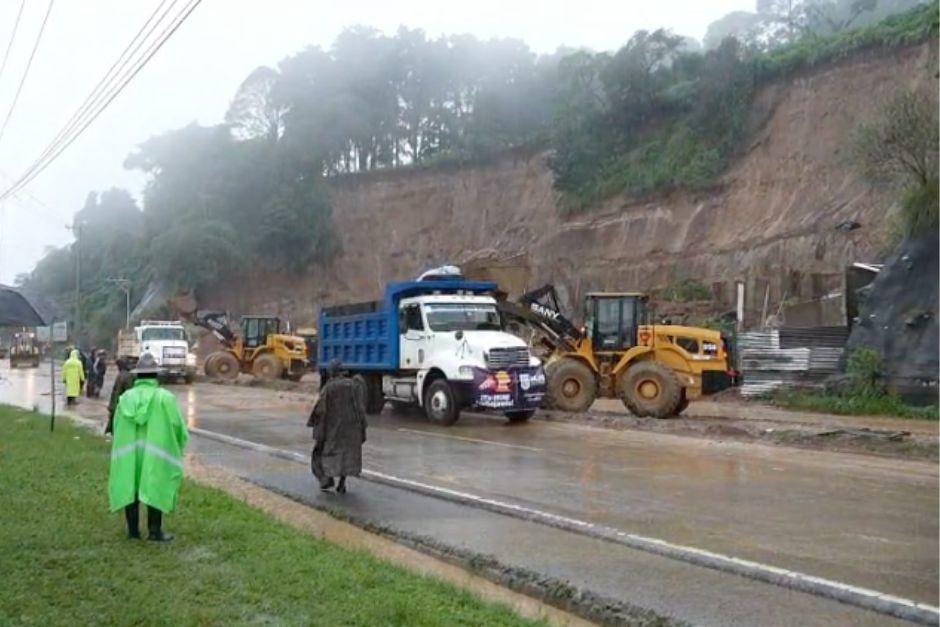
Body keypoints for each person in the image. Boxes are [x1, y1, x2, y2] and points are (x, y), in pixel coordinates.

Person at [109, 352, 188, 541]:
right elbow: (177, 426)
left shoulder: (126, 399)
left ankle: (133, 532)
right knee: (155, 485)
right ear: (156, 375)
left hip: (130, 454)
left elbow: (116, 425)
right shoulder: (165, 398)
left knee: (131, 486)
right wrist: (178, 443)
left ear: (137, 375)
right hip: (155, 453)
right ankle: (155, 531)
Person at [307, 360, 367, 494]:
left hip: (333, 429)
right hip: (351, 429)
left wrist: (313, 424)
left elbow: (320, 409)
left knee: (323, 453)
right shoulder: (354, 386)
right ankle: (342, 483)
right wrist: (363, 428)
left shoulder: (329, 387)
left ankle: (325, 479)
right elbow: (360, 409)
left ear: (332, 372)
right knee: (346, 456)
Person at [106, 357, 135, 435]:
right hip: (121, 403)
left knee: (114, 421)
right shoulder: (128, 376)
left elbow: (115, 392)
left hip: (116, 403)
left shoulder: (121, 375)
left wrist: (111, 406)